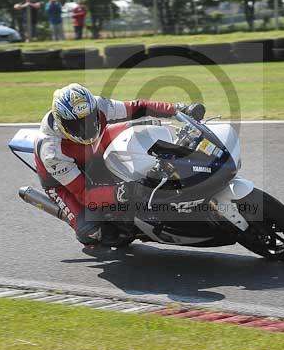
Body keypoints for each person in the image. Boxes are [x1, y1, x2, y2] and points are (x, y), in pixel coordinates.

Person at [34, 83, 206, 247]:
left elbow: (138, 107)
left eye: (90, 119)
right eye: (77, 125)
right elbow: (84, 194)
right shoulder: (52, 151)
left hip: (95, 148)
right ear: (61, 122)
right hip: (63, 183)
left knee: (144, 127)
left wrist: (179, 109)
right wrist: (124, 192)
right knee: (92, 231)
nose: (86, 128)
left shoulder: (98, 104)